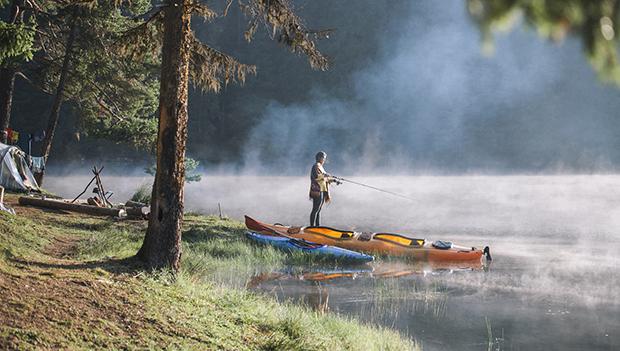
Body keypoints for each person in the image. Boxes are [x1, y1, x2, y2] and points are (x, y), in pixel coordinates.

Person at [309, 151, 340, 226]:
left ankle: (317, 226)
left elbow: (324, 178)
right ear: (320, 158)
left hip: (322, 190)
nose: (324, 160)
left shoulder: (320, 166)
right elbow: (317, 177)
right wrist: (326, 175)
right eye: (324, 158)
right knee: (315, 209)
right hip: (317, 191)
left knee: (318, 210)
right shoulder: (316, 166)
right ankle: (312, 227)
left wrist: (334, 180)